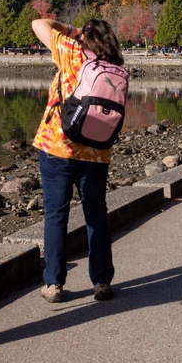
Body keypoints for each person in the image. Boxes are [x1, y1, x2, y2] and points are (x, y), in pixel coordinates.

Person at [31, 18, 123, 303]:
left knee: (56, 216)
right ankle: (101, 281)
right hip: (97, 151)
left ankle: (54, 284)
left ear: (85, 36)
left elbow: (39, 23)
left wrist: (72, 31)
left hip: (57, 146)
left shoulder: (71, 50)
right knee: (96, 215)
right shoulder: (116, 66)